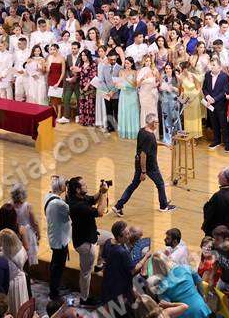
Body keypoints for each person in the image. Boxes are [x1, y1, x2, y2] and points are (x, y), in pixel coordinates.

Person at [112, 113, 175, 215]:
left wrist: (165, 144)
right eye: (156, 122)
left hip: (139, 163)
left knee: (133, 185)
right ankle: (164, 206)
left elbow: (152, 143)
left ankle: (118, 206)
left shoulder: (142, 131)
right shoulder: (149, 136)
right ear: (151, 123)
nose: (158, 124)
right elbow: (143, 154)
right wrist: (144, 172)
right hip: (149, 166)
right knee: (160, 184)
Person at [66, 176, 111, 306]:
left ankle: (99, 264)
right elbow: (100, 212)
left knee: (109, 238)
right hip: (85, 244)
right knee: (86, 273)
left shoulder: (79, 197)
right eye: (84, 185)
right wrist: (104, 193)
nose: (86, 186)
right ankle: (84, 299)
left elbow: (93, 199)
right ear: (77, 190)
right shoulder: (77, 206)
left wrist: (100, 191)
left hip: (91, 235)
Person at [44, 175, 71, 302]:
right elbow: (71, 211)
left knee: (55, 264)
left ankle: (56, 286)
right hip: (60, 240)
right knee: (58, 266)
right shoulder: (59, 204)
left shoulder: (48, 196)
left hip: (54, 236)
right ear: (61, 187)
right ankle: (54, 292)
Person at [202, 168, 229, 234]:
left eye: (220, 176)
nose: (218, 177)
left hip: (219, 229)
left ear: (225, 180)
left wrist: (206, 206)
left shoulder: (218, 196)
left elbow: (210, 213)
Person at [202, 59, 229, 150]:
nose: (211, 66)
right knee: (214, 123)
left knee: (223, 124)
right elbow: (204, 88)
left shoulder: (224, 76)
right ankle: (216, 140)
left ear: (219, 67)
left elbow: (225, 91)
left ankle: (227, 143)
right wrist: (207, 96)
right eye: (211, 64)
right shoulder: (207, 75)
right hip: (210, 103)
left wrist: (214, 99)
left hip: (220, 104)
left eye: (214, 65)